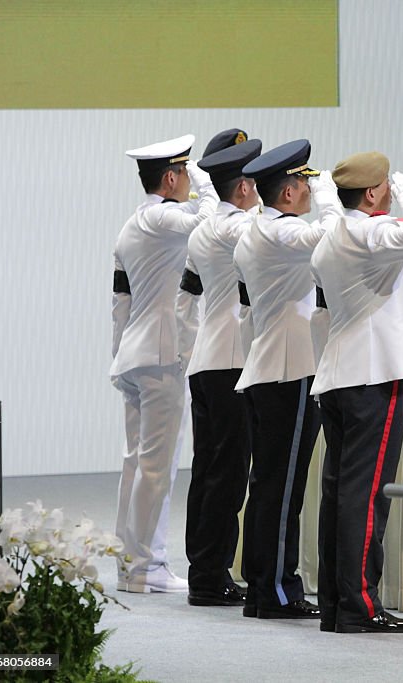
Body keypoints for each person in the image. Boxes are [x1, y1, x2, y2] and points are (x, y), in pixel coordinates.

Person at [311, 152, 403, 634]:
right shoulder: (367, 234)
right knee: (364, 498)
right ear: (371, 193)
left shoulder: (331, 237)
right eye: (382, 185)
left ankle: (335, 603)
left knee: (339, 495)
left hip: (340, 376)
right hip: (372, 377)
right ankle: (360, 605)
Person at [111, 134, 216, 592]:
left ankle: (129, 561)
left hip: (135, 354)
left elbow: (120, 300)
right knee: (158, 465)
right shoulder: (162, 218)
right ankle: (146, 568)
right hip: (160, 356)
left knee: (137, 463)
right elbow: (208, 220)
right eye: (184, 173)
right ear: (172, 176)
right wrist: (207, 182)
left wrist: (117, 354)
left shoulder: (132, 224)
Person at [233, 139, 327, 619]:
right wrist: (335, 192)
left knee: (270, 483)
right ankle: (274, 589)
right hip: (289, 369)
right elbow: (331, 235)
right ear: (288, 193)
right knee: (282, 487)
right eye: (305, 183)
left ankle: (265, 585)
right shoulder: (281, 233)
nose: (311, 191)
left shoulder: (256, 228)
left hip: (270, 365)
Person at [176, 133, 262, 607]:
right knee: (228, 475)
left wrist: (190, 349)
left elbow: (185, 297)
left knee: (207, 470)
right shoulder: (243, 229)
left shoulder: (203, 230)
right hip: (234, 360)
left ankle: (202, 570)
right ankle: (211, 576)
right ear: (247, 188)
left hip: (207, 357)